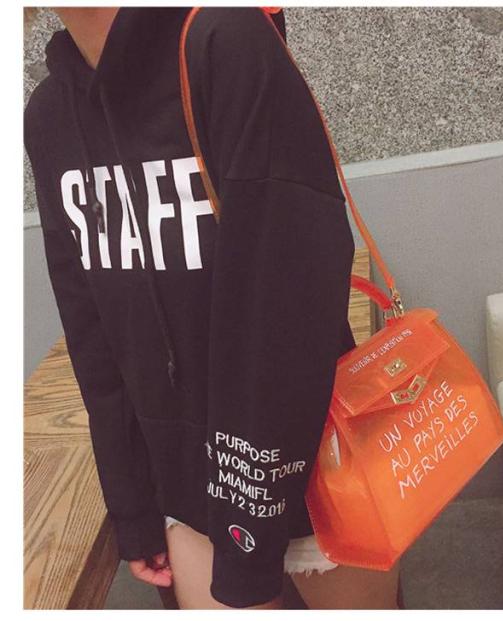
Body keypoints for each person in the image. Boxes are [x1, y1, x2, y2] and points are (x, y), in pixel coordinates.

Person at [24, 6, 401, 610]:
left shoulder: (226, 43)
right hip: (190, 492)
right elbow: (93, 331)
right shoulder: (49, 117)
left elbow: (286, 302)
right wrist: (134, 507)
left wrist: (246, 536)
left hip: (314, 468)